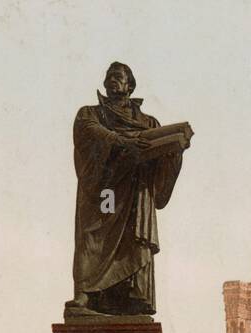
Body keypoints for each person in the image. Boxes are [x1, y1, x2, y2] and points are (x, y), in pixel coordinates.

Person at [65, 62, 190, 319]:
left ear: (129, 85)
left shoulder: (147, 121)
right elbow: (89, 133)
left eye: (118, 77)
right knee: (96, 234)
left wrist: (174, 150)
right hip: (106, 190)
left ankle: (129, 295)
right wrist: (124, 141)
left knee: (132, 239)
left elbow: (160, 162)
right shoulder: (90, 113)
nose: (113, 80)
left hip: (135, 193)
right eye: (109, 76)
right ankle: (87, 293)